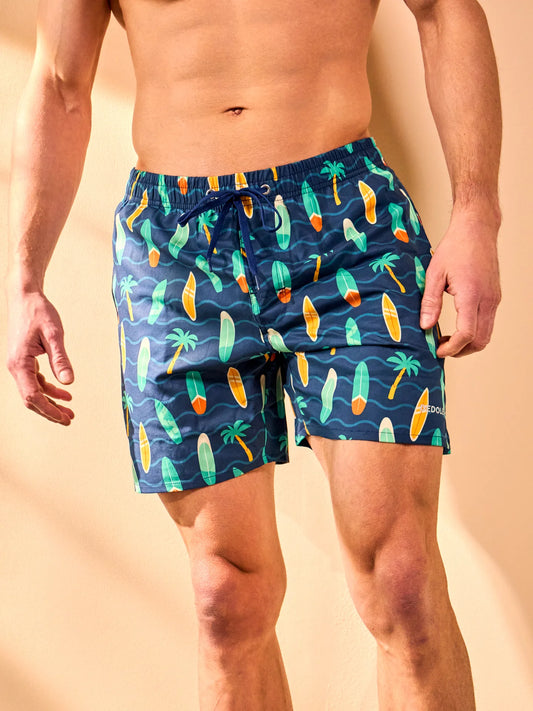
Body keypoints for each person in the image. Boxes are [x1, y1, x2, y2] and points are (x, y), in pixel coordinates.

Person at [6, 0, 502, 708]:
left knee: (401, 577)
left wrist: (476, 211)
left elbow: (446, 11)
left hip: (346, 225)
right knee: (226, 597)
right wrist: (25, 278)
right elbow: (60, 83)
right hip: (177, 250)